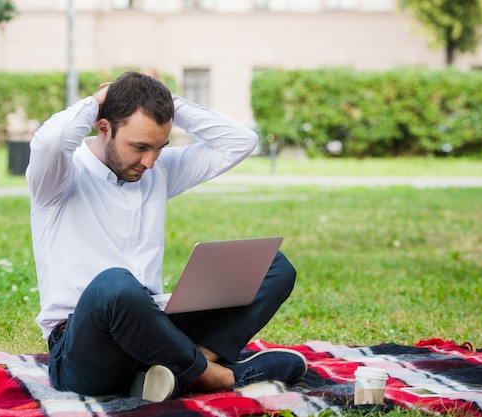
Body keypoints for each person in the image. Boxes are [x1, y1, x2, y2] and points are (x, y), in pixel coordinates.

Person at [26, 71, 306, 401]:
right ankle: (213, 375)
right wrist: (99, 100)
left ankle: (171, 370)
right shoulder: (59, 177)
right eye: (139, 147)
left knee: (270, 266)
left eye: (160, 147)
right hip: (83, 347)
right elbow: (51, 140)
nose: (149, 161)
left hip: (154, 325)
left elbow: (240, 141)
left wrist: (167, 101)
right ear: (104, 128)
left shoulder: (157, 169)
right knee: (116, 286)